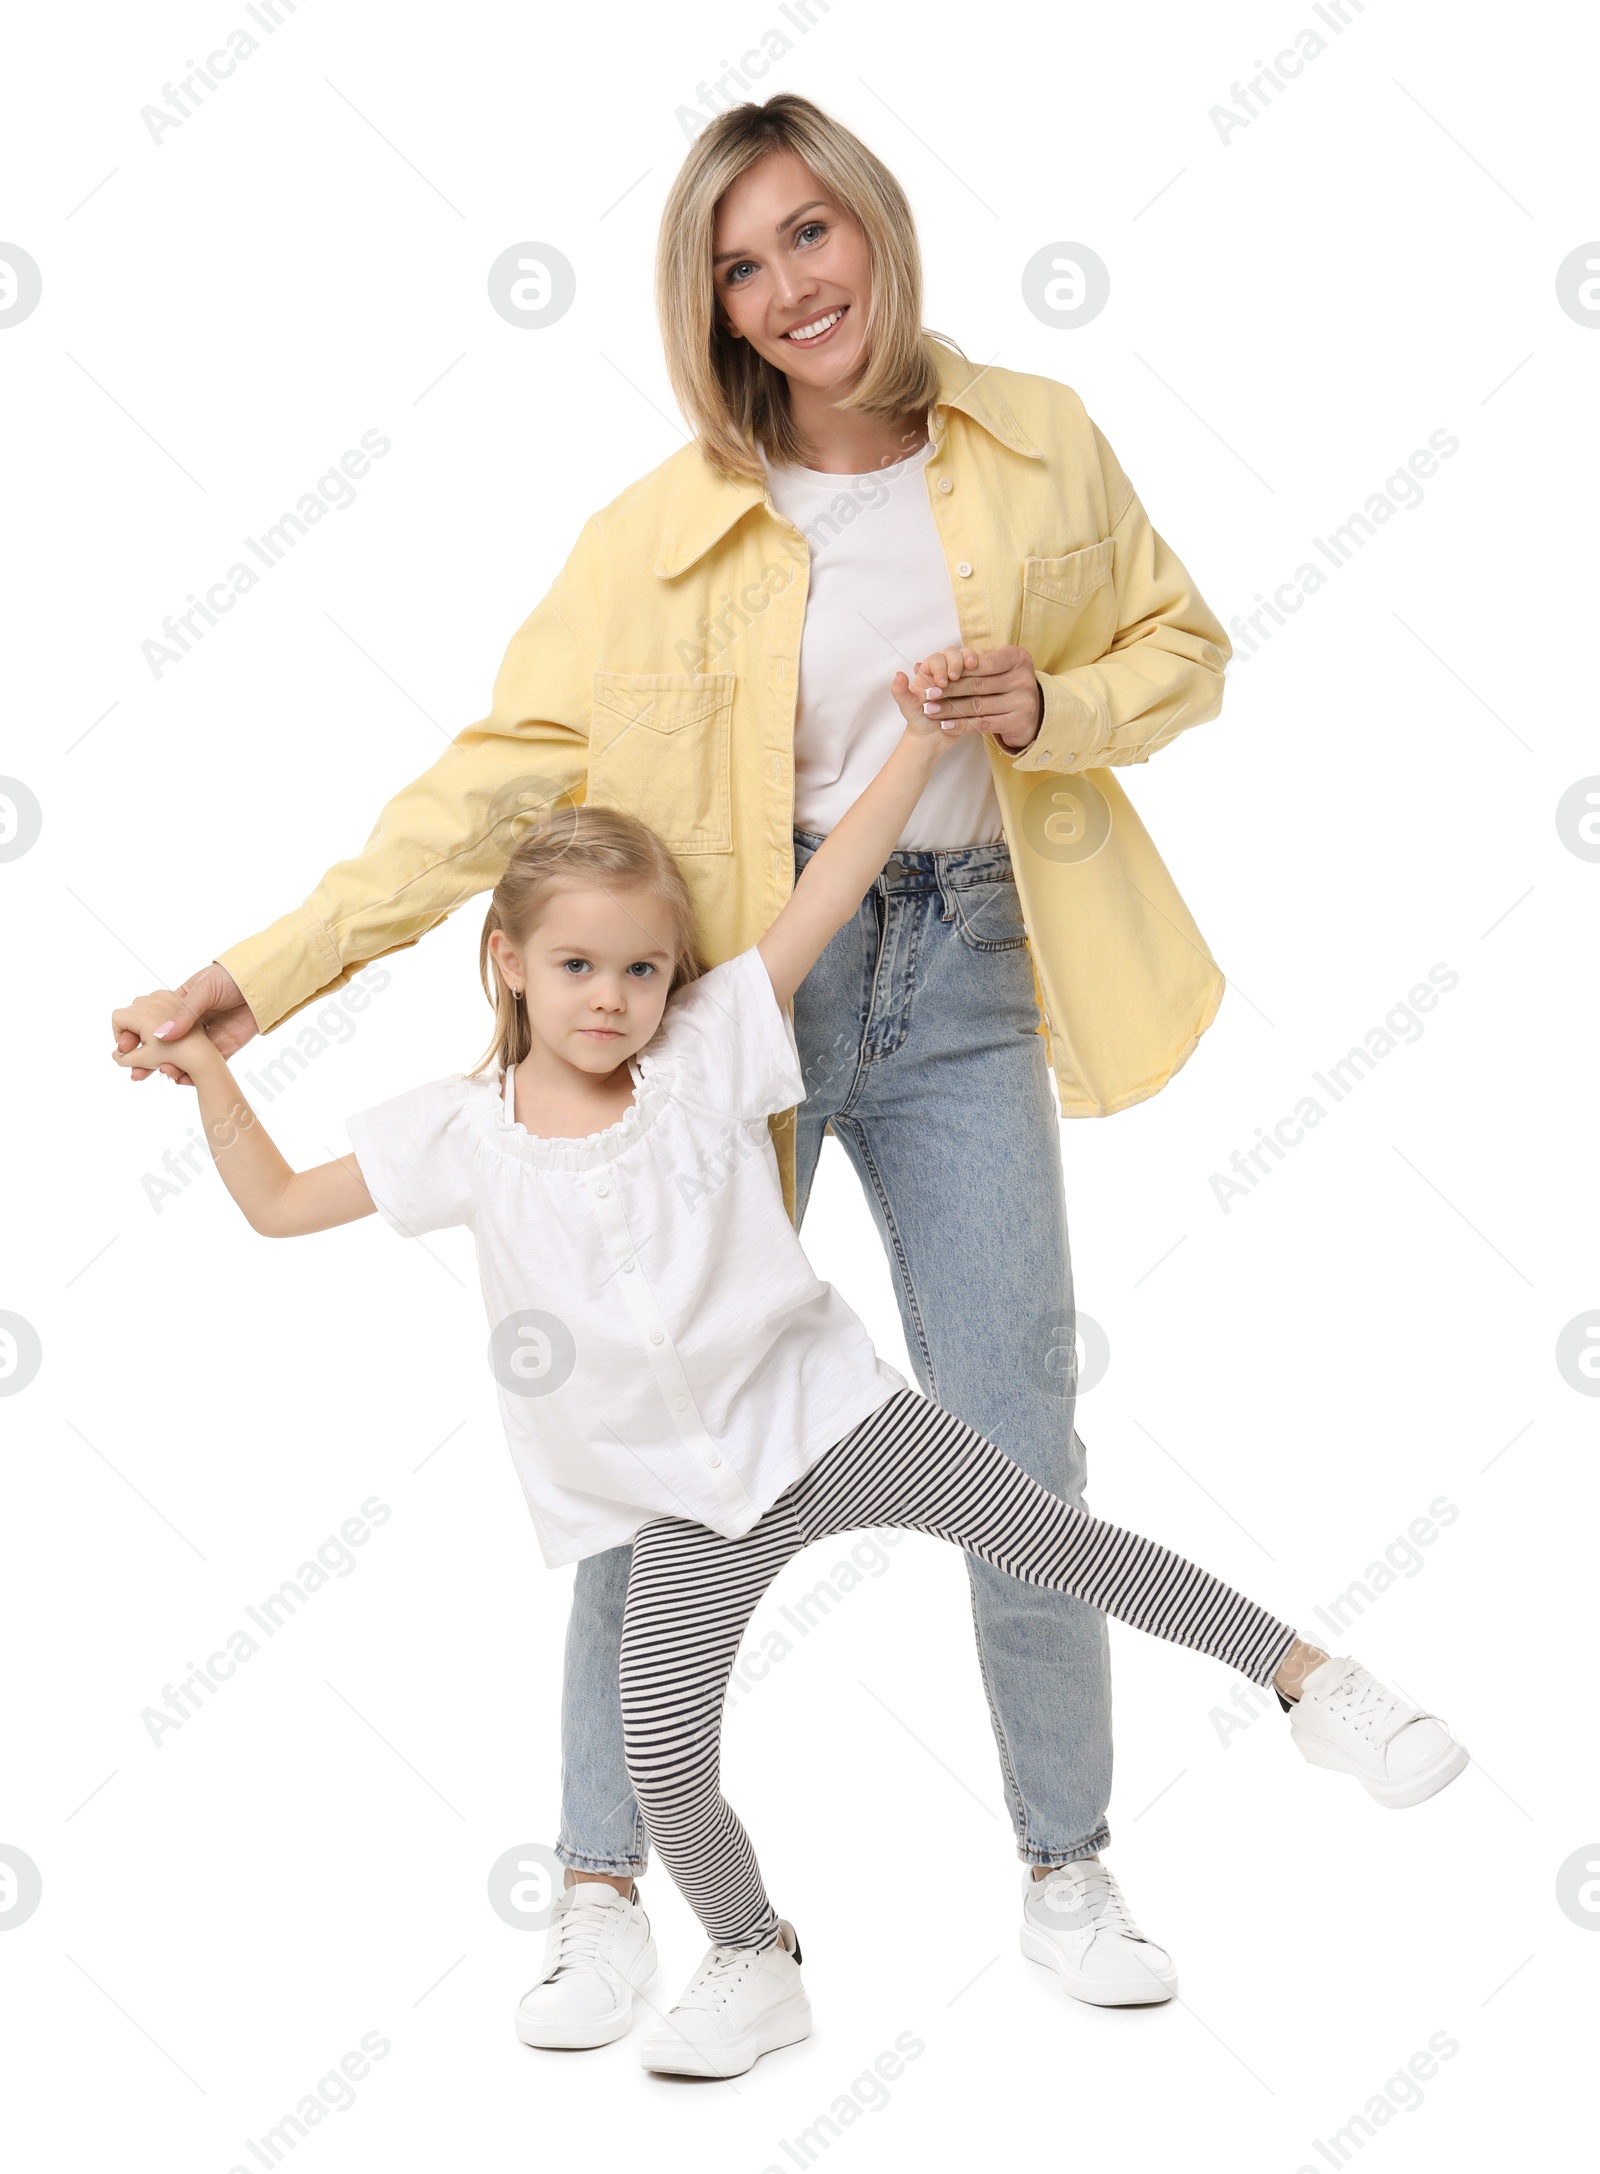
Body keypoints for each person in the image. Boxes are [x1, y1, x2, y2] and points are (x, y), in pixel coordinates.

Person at [110, 92, 1287, 2031]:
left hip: (970, 973)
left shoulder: (1036, 441)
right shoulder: (657, 532)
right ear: (710, 306)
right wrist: (269, 974)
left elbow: (1182, 649)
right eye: (738, 267)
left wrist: (1051, 701)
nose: (785, 288)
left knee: (1011, 1430)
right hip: (722, 1006)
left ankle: (1065, 1863)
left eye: (807, 236)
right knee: (657, 1438)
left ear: (874, 230)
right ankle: (601, 1882)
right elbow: (490, 781)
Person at [111, 664, 1468, 2081]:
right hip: (686, 1509)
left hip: (833, 1418)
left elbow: (838, 886)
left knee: (1055, 1537)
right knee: (665, 1763)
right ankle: (754, 1956)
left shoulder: (707, 1052)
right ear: (507, 960)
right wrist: (210, 1071)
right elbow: (272, 1204)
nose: (615, 997)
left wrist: (920, 737)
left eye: (641, 967)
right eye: (578, 966)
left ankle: (1319, 1683)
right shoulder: (458, 1132)